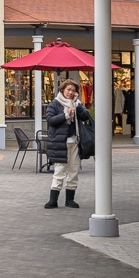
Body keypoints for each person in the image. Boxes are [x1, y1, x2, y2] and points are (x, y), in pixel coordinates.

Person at [44, 78, 92, 209]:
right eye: (68, 90)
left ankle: (70, 200)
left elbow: (85, 117)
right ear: (62, 90)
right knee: (59, 170)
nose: (70, 93)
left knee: (74, 170)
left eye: (73, 91)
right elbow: (50, 120)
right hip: (61, 143)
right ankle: (53, 200)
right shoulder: (55, 104)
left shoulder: (76, 104)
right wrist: (65, 115)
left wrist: (77, 104)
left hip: (75, 141)